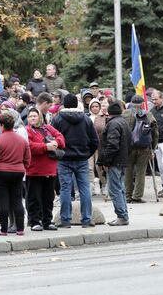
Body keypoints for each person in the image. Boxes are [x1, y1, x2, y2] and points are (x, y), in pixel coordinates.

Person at [51, 94, 99, 228]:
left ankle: (65, 219)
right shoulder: (86, 119)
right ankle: (87, 219)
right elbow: (95, 141)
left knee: (65, 189)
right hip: (82, 159)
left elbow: (51, 138)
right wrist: (87, 153)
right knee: (85, 188)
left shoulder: (58, 119)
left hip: (64, 159)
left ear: (64, 104)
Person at [0, 113, 31, 236]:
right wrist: (23, 167)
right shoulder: (21, 140)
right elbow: (27, 158)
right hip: (18, 172)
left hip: (1, 173)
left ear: (2, 125)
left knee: (3, 201)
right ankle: (20, 228)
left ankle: (4, 229)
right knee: (17, 200)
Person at [26, 107, 65, 231]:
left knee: (48, 198)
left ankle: (47, 221)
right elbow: (29, 146)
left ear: (40, 117)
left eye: (35, 116)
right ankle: (34, 221)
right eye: (30, 116)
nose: (32, 118)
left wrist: (56, 143)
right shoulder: (26, 130)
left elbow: (61, 137)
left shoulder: (48, 128)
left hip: (50, 170)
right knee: (34, 198)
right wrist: (45, 147)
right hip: (34, 170)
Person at [98, 101, 132, 225]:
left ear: (109, 113)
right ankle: (124, 214)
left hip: (115, 161)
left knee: (115, 189)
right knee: (121, 188)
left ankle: (122, 216)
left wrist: (106, 161)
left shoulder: (113, 124)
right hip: (122, 160)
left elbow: (112, 145)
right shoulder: (124, 122)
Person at [122, 95, 159, 203]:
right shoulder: (148, 114)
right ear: (142, 103)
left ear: (131, 103)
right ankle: (137, 196)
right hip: (144, 147)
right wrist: (153, 148)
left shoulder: (125, 114)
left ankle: (127, 195)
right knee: (140, 172)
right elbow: (155, 132)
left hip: (129, 147)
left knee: (128, 171)